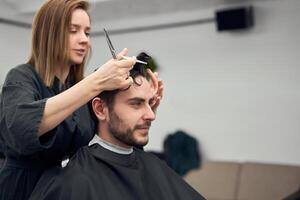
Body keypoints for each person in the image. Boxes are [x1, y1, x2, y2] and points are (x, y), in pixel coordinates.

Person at [0, 1, 162, 200]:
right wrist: (97, 82)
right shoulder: (21, 78)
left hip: (66, 190)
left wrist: (142, 111)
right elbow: (20, 128)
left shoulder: (82, 87)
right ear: (49, 34)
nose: (84, 39)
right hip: (23, 191)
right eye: (73, 31)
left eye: (87, 32)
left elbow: (116, 135)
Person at [29, 53, 205, 200]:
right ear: (100, 109)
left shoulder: (153, 166)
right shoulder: (74, 180)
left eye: (149, 103)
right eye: (136, 104)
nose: (151, 114)